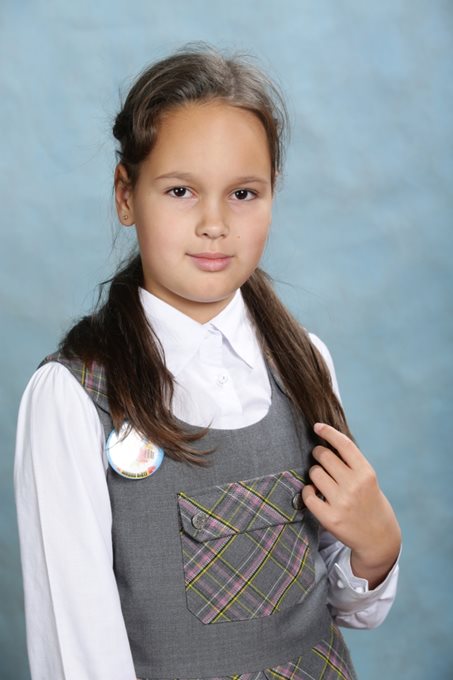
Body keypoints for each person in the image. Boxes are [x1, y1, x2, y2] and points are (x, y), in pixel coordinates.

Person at [14, 43, 401, 680]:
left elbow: (348, 605)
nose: (215, 223)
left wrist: (378, 546)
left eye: (243, 192)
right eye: (181, 191)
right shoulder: (73, 396)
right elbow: (76, 650)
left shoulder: (305, 363)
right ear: (125, 195)